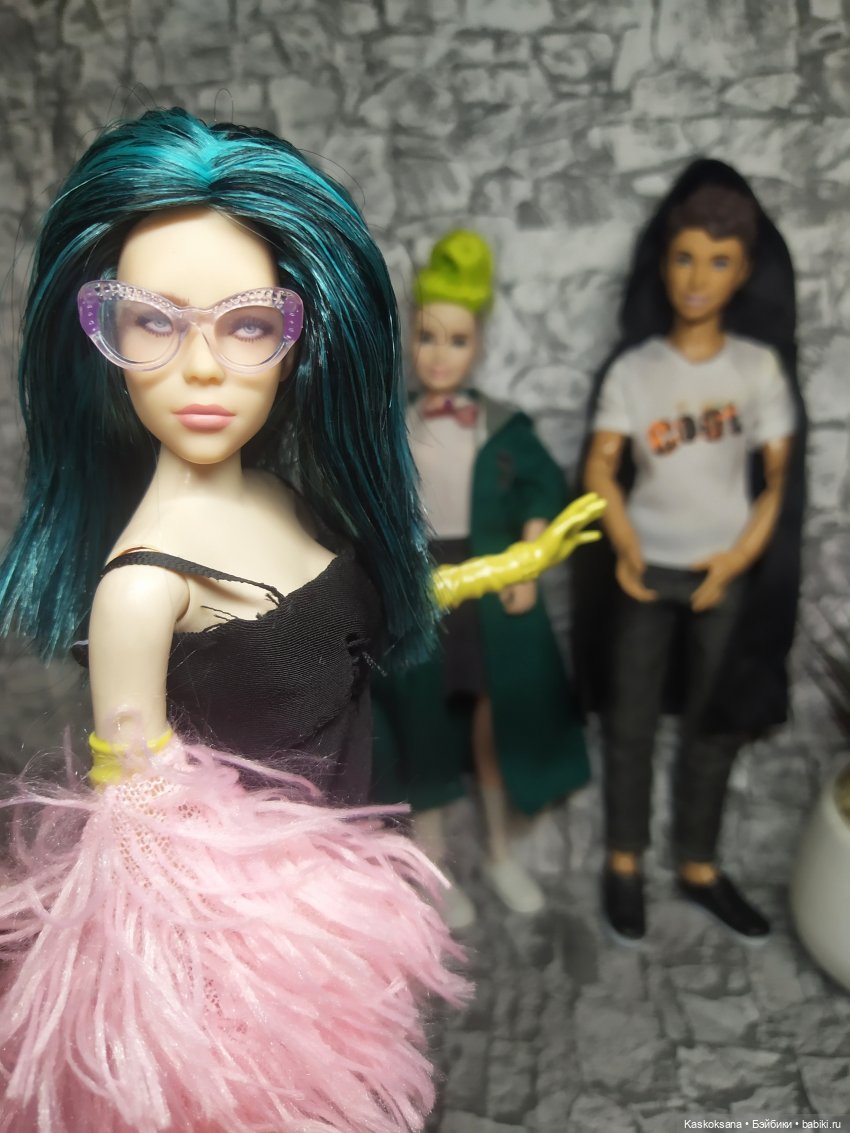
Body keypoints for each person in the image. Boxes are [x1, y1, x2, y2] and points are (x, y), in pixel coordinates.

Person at [0, 110, 603, 1133]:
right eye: (151, 321)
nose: (201, 367)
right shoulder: (141, 589)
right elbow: (142, 848)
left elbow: (355, 616)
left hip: (356, 865)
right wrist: (251, 996)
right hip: (252, 967)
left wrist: (508, 565)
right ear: (101, 335)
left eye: (245, 324)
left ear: (298, 336)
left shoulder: (289, 496)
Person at [579, 160, 805, 944]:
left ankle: (700, 864)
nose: (698, 277)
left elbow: (779, 482)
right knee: (630, 717)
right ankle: (624, 860)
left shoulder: (756, 368)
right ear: (664, 260)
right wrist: (626, 544)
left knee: (713, 719)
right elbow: (601, 466)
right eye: (685, 256)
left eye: (718, 261)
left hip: (722, 569)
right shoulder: (635, 371)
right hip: (644, 568)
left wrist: (735, 562)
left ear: (743, 271)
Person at [372, 230, 590, 928]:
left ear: (480, 345)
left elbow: (541, 485)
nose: (440, 354)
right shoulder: (389, 426)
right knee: (425, 731)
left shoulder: (501, 425)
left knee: (499, 726)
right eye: (428, 337)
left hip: (491, 588)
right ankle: (434, 867)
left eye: (457, 340)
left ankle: (500, 851)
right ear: (411, 339)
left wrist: (530, 552)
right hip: (422, 587)